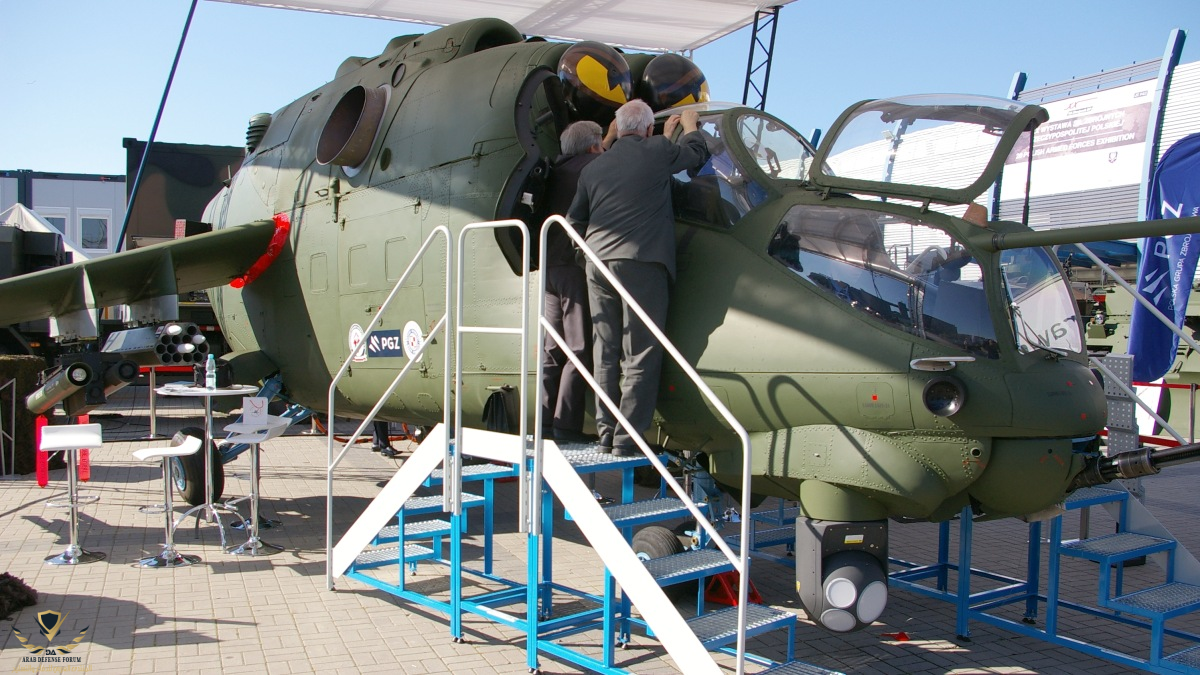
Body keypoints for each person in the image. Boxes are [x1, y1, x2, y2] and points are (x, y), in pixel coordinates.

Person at [567, 100, 709, 455]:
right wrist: (690, 126)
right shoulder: (658, 150)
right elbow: (695, 154)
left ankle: (605, 432)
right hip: (641, 261)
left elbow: (573, 221)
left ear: (618, 128)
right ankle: (627, 438)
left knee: (605, 349)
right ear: (647, 128)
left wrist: (586, 255)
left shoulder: (595, 166)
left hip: (597, 263)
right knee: (640, 350)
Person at [536, 121, 609, 444]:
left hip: (548, 267)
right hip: (572, 267)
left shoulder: (555, 169)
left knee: (552, 349)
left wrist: (605, 138)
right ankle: (566, 425)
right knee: (579, 347)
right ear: (593, 147)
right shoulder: (592, 167)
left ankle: (544, 422)